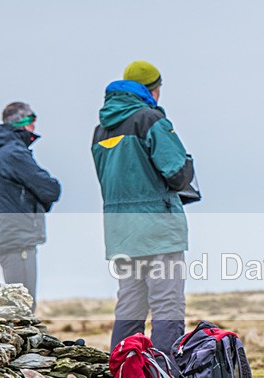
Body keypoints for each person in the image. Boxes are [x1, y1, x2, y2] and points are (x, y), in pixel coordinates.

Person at [91, 60, 196, 354]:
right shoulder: (150, 120)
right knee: (167, 306)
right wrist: (186, 165)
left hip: (120, 231)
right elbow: (176, 172)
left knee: (129, 307)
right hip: (158, 228)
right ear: (152, 88)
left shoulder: (101, 129)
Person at [0, 103, 62, 311]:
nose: (35, 127)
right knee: (22, 307)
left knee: (18, 304)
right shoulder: (13, 152)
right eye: (33, 121)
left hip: (7, 234)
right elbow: (50, 189)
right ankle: (20, 344)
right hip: (17, 237)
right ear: (25, 123)